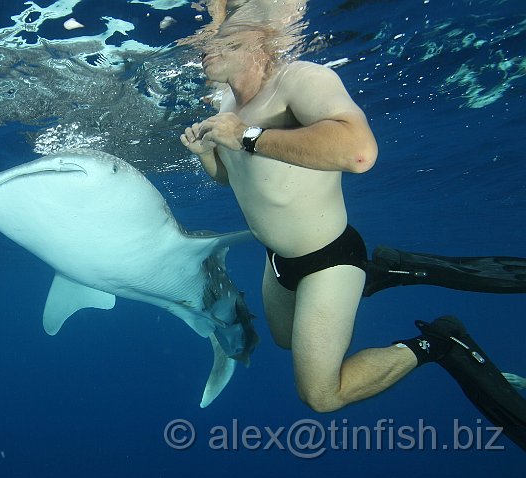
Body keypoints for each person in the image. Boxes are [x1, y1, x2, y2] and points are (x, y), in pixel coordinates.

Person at [178, 23, 485, 413]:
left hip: (330, 257)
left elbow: (358, 153)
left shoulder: (301, 80)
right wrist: (205, 152)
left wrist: (247, 136)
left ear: (257, 42)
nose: (204, 45)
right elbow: (234, 178)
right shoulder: (227, 105)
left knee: (321, 396)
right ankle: (379, 274)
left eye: (220, 38)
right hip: (277, 261)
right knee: (285, 340)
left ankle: (438, 342)